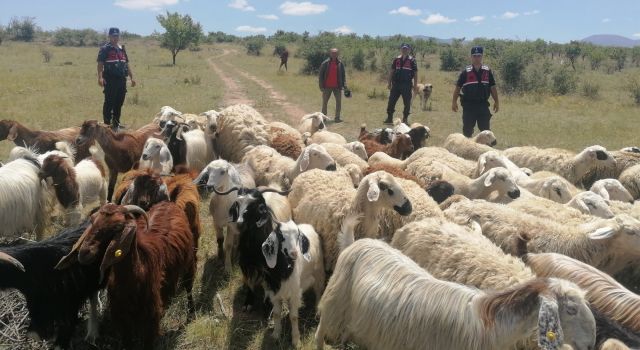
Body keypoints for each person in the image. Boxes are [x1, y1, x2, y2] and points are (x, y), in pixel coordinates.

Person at [451, 46, 499, 137]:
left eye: (479, 56)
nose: (477, 58)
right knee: (467, 131)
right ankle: (467, 149)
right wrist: (454, 102)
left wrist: (497, 102)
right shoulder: (465, 72)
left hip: (483, 105)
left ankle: (487, 149)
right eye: (474, 56)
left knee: (486, 132)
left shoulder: (487, 71)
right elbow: (457, 88)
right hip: (469, 106)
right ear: (471, 57)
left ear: (482, 56)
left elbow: (493, 87)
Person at [97, 27, 136, 131]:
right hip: (110, 80)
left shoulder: (122, 49)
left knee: (119, 102)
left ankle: (116, 124)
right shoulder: (105, 49)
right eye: (113, 36)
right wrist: (100, 77)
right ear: (109, 36)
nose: (115, 37)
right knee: (109, 102)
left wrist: (132, 77)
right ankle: (106, 125)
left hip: (122, 80)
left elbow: (126, 64)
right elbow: (100, 64)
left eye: (117, 36)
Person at [385, 43, 418, 125]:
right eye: (403, 48)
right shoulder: (396, 59)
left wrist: (415, 85)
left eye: (406, 49)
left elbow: (415, 73)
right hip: (396, 84)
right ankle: (389, 118)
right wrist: (389, 83)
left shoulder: (412, 60)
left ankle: (405, 119)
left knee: (407, 103)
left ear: (409, 50)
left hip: (406, 85)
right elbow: (391, 71)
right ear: (401, 49)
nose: (404, 50)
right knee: (391, 101)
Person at [318, 48, 346, 123]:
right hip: (326, 87)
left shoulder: (340, 63)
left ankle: (337, 118)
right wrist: (321, 86)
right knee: (324, 103)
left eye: (335, 53)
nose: (334, 54)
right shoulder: (325, 63)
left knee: (339, 102)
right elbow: (320, 75)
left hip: (337, 87)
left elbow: (343, 75)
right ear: (330, 54)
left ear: (337, 54)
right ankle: (323, 118)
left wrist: (344, 85)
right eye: (333, 53)